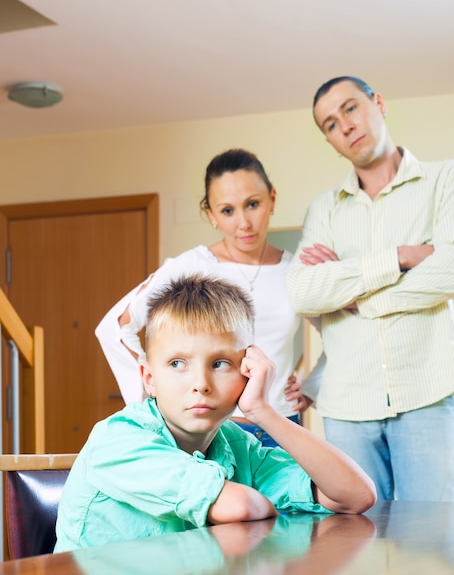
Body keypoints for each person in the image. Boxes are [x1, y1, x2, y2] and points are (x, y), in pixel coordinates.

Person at [54, 274, 376, 551]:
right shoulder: (118, 441)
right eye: (177, 363)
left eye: (220, 363)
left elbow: (355, 495)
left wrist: (262, 411)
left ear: (247, 371)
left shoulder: (236, 446)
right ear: (149, 379)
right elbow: (243, 506)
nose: (201, 384)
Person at [287, 76, 454, 502]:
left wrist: (355, 296)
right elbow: (304, 293)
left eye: (351, 108)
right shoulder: (324, 209)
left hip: (428, 390)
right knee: (357, 553)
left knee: (433, 549)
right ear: (330, 140)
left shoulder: (447, 180)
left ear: (378, 103)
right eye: (331, 124)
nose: (346, 125)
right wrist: (400, 257)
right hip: (346, 405)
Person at [95, 148, 315, 448]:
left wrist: (313, 384)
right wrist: (157, 386)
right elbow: (114, 328)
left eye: (253, 204)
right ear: (211, 214)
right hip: (220, 430)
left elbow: (340, 332)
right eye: (227, 210)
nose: (244, 223)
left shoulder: (297, 271)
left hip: (282, 423)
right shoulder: (192, 265)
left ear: (272, 199)